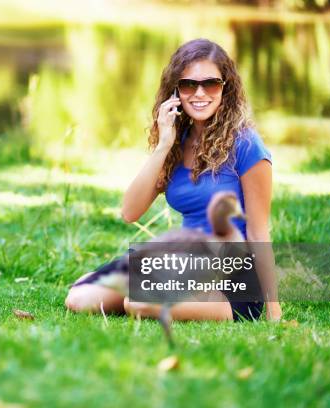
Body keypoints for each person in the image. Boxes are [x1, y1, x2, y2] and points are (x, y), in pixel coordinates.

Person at [65, 38, 282, 322]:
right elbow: (130, 212)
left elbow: (258, 232)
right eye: (189, 84)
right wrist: (163, 144)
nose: (199, 93)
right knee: (79, 297)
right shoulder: (176, 144)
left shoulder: (246, 145)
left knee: (138, 303)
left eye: (211, 83)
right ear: (176, 91)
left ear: (225, 87)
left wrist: (273, 310)